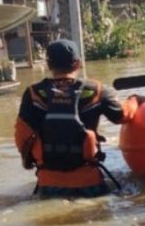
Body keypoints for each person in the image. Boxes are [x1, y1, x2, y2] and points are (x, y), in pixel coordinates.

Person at [14, 39, 133, 197]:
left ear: (49, 65)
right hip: (89, 185)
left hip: (48, 186)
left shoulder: (33, 94)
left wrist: (29, 162)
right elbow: (122, 116)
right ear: (77, 64)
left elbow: (21, 136)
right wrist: (135, 100)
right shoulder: (97, 90)